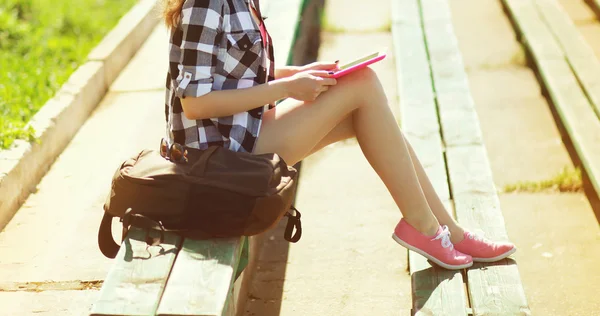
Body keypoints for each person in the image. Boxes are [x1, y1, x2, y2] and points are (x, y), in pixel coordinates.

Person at [161, 0, 516, 269]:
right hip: (216, 162)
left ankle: (446, 229)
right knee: (363, 85)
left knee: (367, 110)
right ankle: (427, 228)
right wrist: (287, 87)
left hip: (244, 136)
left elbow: (240, 73)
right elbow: (195, 103)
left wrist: (301, 73)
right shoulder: (206, 3)